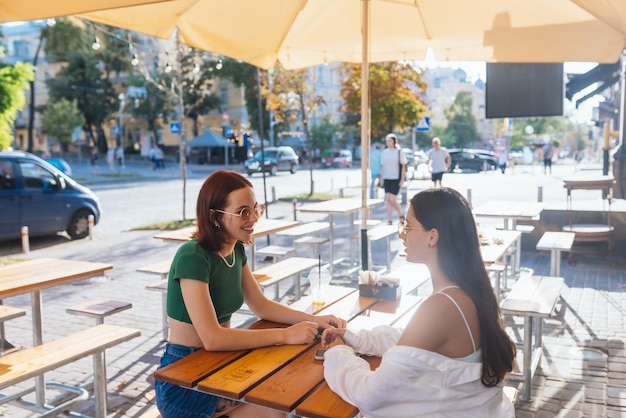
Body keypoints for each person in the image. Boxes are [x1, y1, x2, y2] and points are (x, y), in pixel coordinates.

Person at [155, 170, 346, 418]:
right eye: (243, 211)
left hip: (220, 365)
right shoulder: (192, 256)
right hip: (184, 379)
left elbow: (262, 306)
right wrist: (285, 335)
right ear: (215, 217)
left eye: (256, 208)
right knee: (280, 404)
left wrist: (314, 320)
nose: (254, 217)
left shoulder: (236, 251)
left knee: (302, 387)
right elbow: (213, 339)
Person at [321, 187, 517, 417]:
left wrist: (338, 353)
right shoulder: (466, 291)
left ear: (432, 236)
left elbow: (372, 396)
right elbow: (413, 341)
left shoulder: (441, 306)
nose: (401, 234)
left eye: (407, 226)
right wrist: (353, 338)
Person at [380, 133, 407, 225]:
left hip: (396, 178)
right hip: (387, 177)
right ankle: (390, 219)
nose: (388, 142)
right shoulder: (384, 152)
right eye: (387, 140)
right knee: (387, 200)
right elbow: (383, 166)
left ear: (394, 141)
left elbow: (403, 166)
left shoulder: (399, 152)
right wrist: (381, 178)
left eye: (390, 140)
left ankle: (401, 214)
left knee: (392, 199)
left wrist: (402, 178)